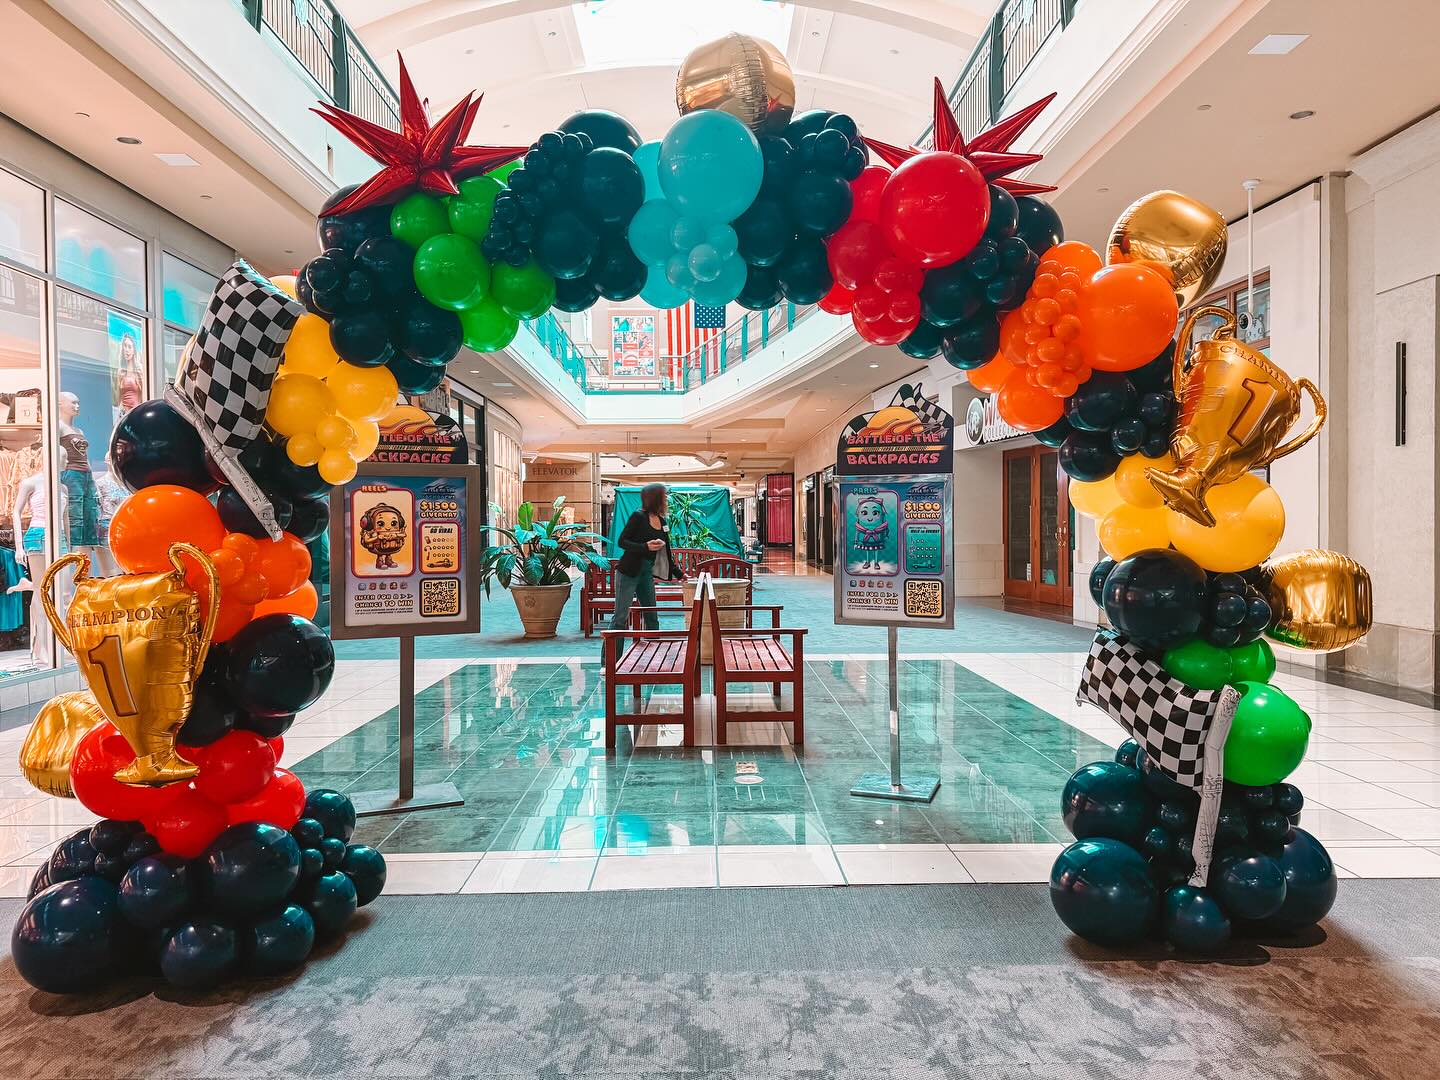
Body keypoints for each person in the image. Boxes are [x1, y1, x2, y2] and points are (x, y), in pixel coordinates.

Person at [608, 483, 676, 645]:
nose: (666, 498)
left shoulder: (662, 521)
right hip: (628, 572)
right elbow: (622, 541)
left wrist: (680, 574)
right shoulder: (638, 517)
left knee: (652, 615)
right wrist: (645, 546)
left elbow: (666, 552)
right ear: (655, 498)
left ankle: (653, 658)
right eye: (663, 495)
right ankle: (609, 662)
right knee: (620, 617)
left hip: (646, 573)